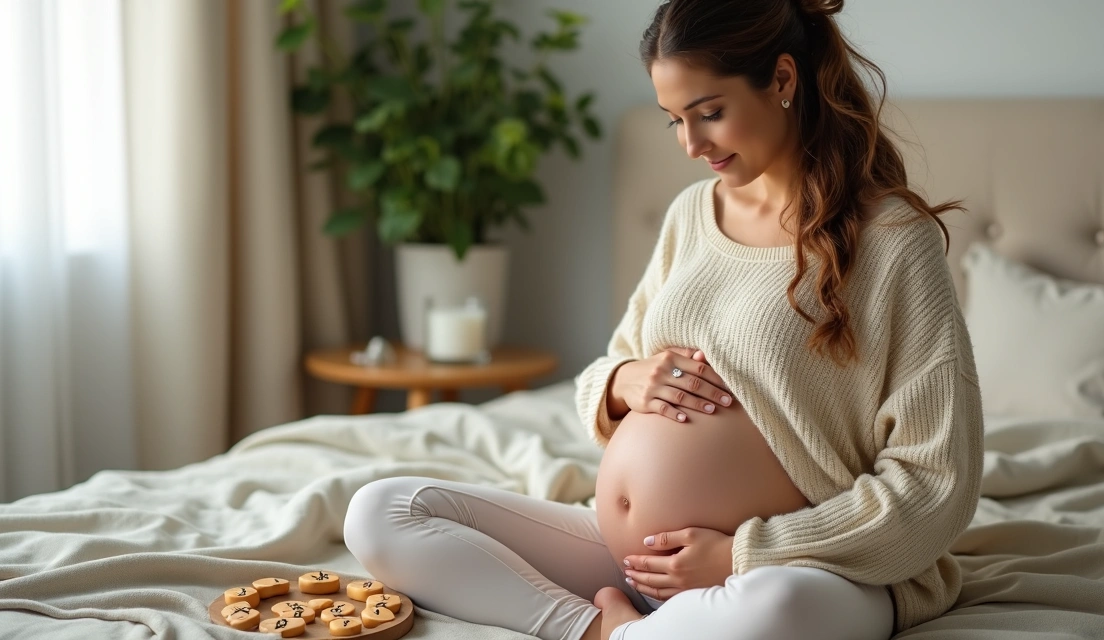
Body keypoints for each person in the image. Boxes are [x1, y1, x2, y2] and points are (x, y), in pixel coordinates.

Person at [342, 1, 984, 639]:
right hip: (632, 560)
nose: (691, 144)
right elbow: (608, 369)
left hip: (798, 569)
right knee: (382, 511)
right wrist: (622, 381)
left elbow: (936, 482)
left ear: (782, 79)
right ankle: (596, 631)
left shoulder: (892, 240)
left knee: (776, 611)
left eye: (710, 113)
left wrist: (743, 554)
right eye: (675, 120)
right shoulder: (691, 215)